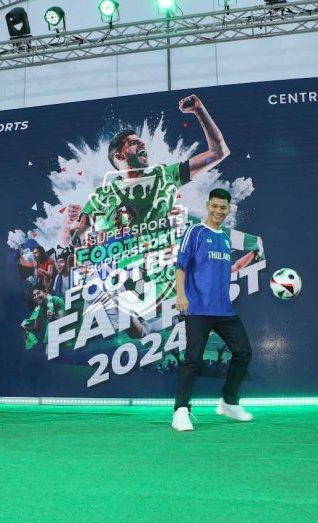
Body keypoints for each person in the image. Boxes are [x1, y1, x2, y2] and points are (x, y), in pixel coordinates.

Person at [71, 94, 230, 243]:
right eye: (133, 143)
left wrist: (199, 110)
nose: (143, 144)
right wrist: (75, 227)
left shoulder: (164, 175)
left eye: (142, 142)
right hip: (120, 260)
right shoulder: (102, 195)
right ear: (119, 156)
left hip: (161, 260)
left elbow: (218, 152)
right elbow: (76, 237)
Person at [172, 188, 254, 432]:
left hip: (223, 310)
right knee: (193, 360)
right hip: (197, 308)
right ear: (208, 206)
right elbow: (180, 265)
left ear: (228, 209)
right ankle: (180, 411)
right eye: (215, 206)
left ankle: (228, 402)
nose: (218, 211)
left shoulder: (226, 238)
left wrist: (242, 262)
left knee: (243, 352)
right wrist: (181, 295)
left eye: (223, 207)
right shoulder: (195, 232)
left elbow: (224, 268)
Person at [21, 283, 66, 349]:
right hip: (50, 341)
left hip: (64, 338)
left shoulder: (57, 301)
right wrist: (27, 328)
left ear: (45, 292)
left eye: (38, 293)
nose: (36, 297)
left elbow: (64, 322)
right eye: (34, 296)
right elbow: (36, 328)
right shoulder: (37, 309)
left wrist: (54, 317)